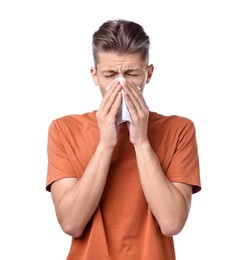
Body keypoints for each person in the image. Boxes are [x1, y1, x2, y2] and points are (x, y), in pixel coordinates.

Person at [46, 19, 201, 260]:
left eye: (131, 74)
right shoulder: (64, 130)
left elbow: (172, 223)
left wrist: (141, 142)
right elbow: (71, 223)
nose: (121, 85)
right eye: (109, 74)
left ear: (148, 74)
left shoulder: (179, 130)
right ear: (94, 75)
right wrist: (105, 143)